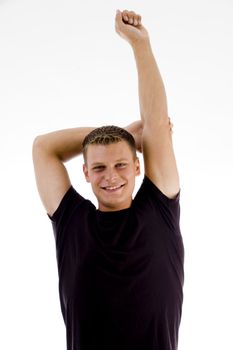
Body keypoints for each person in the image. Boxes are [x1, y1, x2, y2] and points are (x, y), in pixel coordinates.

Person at [33, 9, 184, 350]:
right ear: (85, 173)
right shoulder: (72, 221)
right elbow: (43, 147)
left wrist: (140, 45)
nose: (111, 176)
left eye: (121, 164)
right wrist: (121, 135)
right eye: (99, 167)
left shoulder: (159, 208)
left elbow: (156, 124)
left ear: (137, 167)